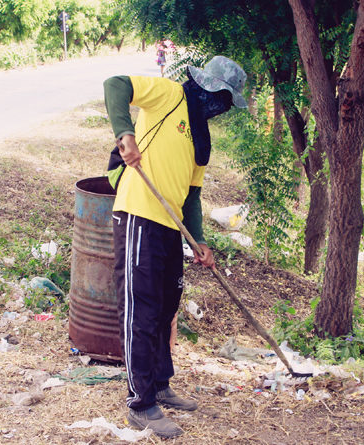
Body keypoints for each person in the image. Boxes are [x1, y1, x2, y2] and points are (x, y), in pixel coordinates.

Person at [103, 56, 247, 438]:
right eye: (220, 97)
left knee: (166, 308)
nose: (221, 106)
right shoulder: (168, 95)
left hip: (171, 227)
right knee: (141, 310)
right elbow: (115, 84)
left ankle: (160, 385)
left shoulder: (202, 137)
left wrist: (199, 240)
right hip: (138, 215)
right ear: (205, 87)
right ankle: (141, 403)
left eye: (227, 102)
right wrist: (124, 134)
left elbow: (193, 196)